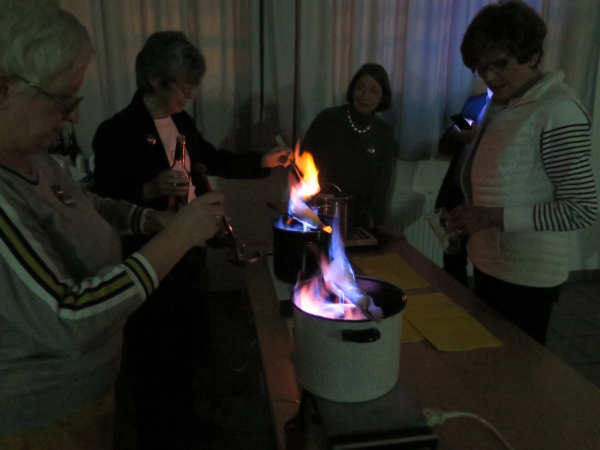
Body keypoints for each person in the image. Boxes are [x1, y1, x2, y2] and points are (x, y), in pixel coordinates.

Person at [0, 2, 225, 449]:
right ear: (3, 90)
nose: (74, 116)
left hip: (88, 394)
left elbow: (89, 202)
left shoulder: (35, 158)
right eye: (62, 99)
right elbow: (68, 315)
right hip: (41, 419)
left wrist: (152, 219)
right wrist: (178, 233)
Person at [91, 31, 291, 449]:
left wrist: (261, 161)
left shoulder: (180, 122)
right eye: (185, 86)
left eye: (194, 85)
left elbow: (210, 158)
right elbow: (105, 197)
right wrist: (147, 188)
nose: (191, 94)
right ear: (155, 80)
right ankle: (157, 435)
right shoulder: (116, 131)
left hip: (191, 254)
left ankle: (187, 423)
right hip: (153, 259)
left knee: (188, 345)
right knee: (155, 353)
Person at [445, 0, 597, 345]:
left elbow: (581, 208)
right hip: (493, 264)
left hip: (526, 277)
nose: (489, 77)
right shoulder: (508, 103)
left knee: (516, 376)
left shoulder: (558, 110)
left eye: (499, 64)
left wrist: (489, 217)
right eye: (481, 69)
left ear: (531, 54)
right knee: (491, 366)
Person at [301, 63, 399, 239]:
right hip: (320, 212)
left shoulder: (384, 132)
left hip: (357, 219)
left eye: (373, 91)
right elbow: (302, 161)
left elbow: (381, 184)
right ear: (352, 89)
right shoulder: (328, 119)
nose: (365, 96)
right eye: (360, 88)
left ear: (382, 96)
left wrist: (379, 224)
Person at [435, 89, 491, 286]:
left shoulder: (511, 106)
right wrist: (455, 133)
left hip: (485, 198)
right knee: (452, 261)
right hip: (455, 192)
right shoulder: (475, 102)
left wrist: (478, 138)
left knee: (483, 264)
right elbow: (445, 146)